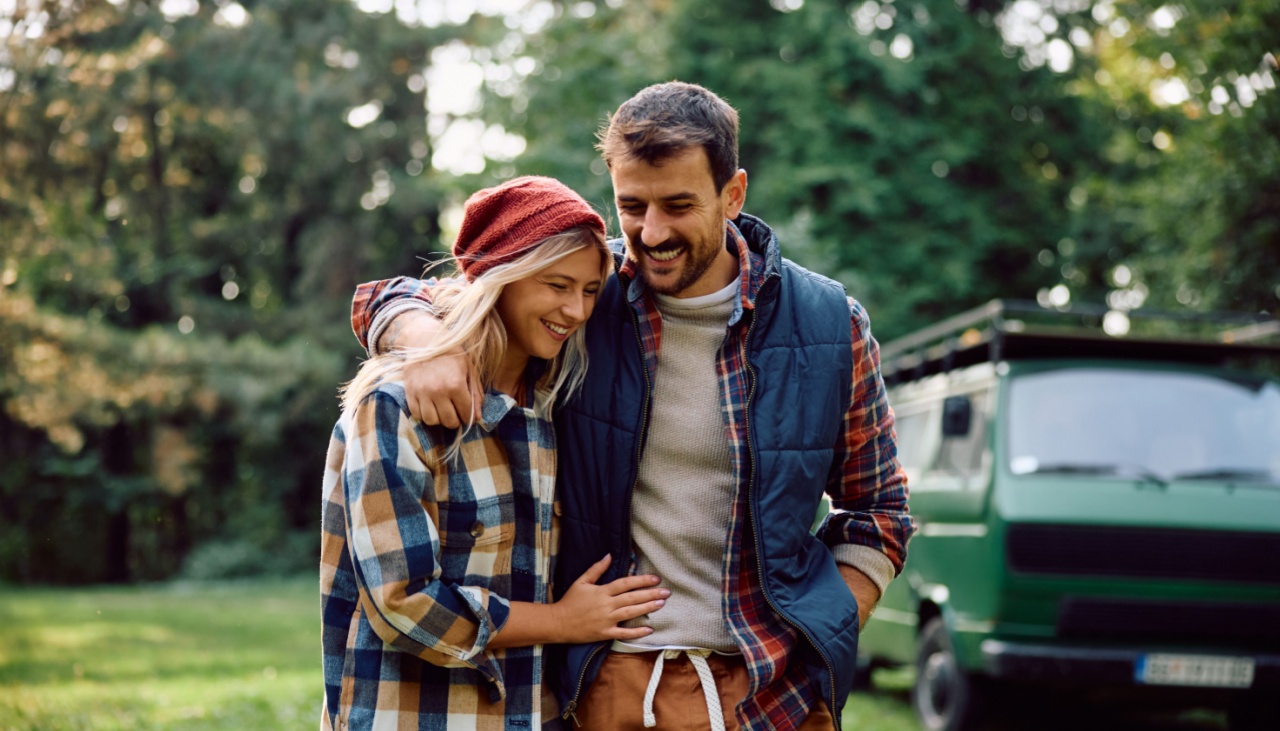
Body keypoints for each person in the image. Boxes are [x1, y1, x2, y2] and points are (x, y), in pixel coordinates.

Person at [348, 83, 916, 731]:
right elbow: (395, 296)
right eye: (631, 206)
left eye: (678, 205)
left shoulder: (830, 325)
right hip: (611, 686)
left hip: (775, 690)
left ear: (733, 194)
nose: (651, 232)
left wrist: (823, 626)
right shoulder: (586, 299)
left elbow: (880, 509)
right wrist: (426, 343)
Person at [320, 176, 671, 731]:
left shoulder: (558, 412)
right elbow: (404, 604)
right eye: (557, 285)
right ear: (500, 279)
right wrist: (560, 622)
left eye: (587, 290)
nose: (576, 310)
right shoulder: (396, 406)